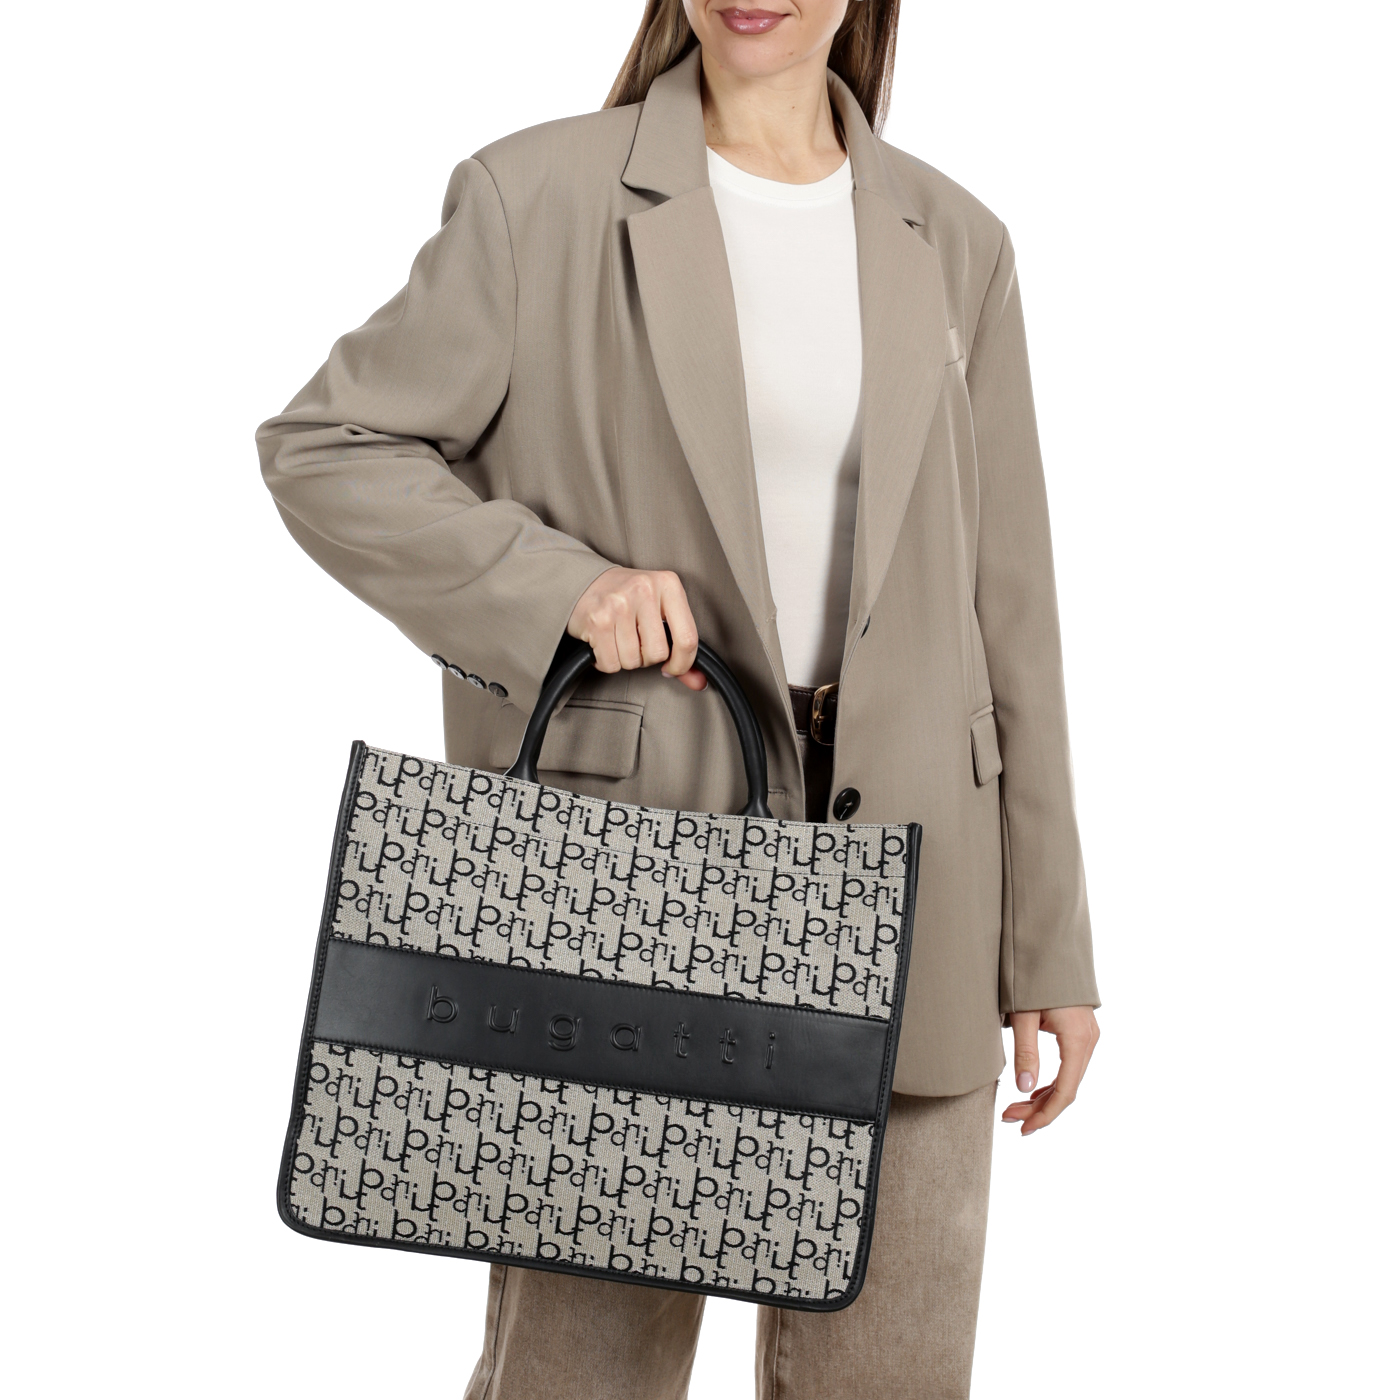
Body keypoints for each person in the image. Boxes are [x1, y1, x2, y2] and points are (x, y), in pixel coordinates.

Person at [256, 1, 1101, 1394]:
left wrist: (1047, 946)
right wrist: (558, 589)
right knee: (581, 1375)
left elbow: (1010, 607)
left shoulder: (958, 240)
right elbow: (327, 447)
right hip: (626, 885)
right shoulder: (536, 196)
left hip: (917, 892)